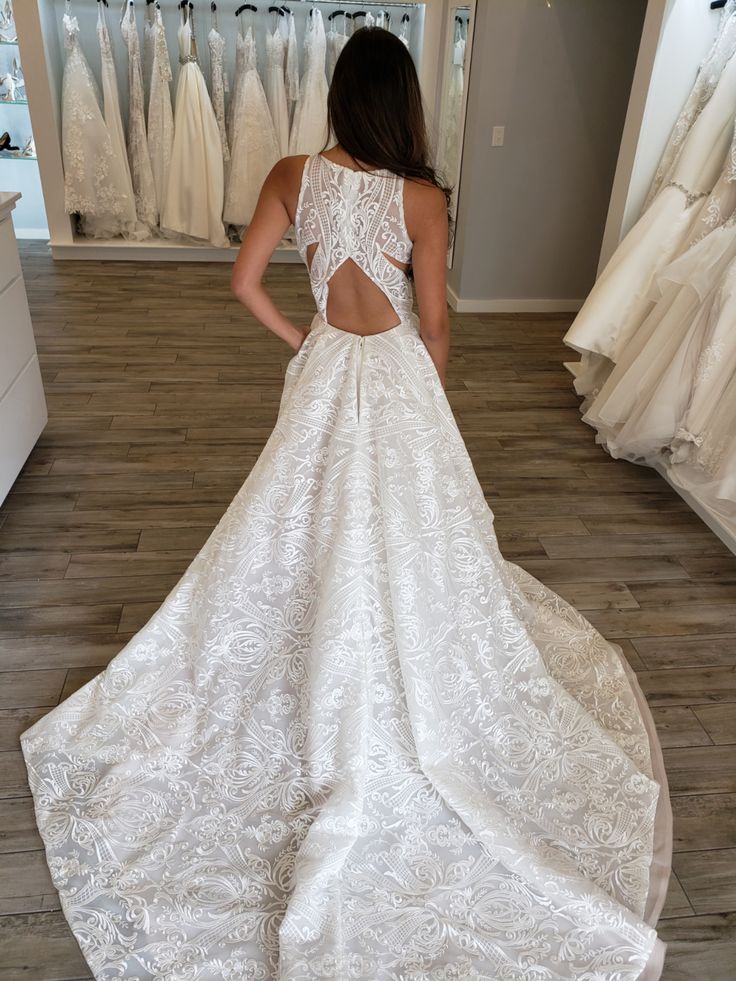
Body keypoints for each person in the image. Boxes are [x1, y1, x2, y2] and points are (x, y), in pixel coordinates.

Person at [21, 26, 672, 981]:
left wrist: (305, 340)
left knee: (297, 526)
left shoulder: (292, 175)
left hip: (326, 366)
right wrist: (427, 408)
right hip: (398, 377)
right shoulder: (424, 198)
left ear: (338, 96)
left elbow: (244, 282)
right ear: (403, 103)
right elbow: (436, 325)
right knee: (415, 537)